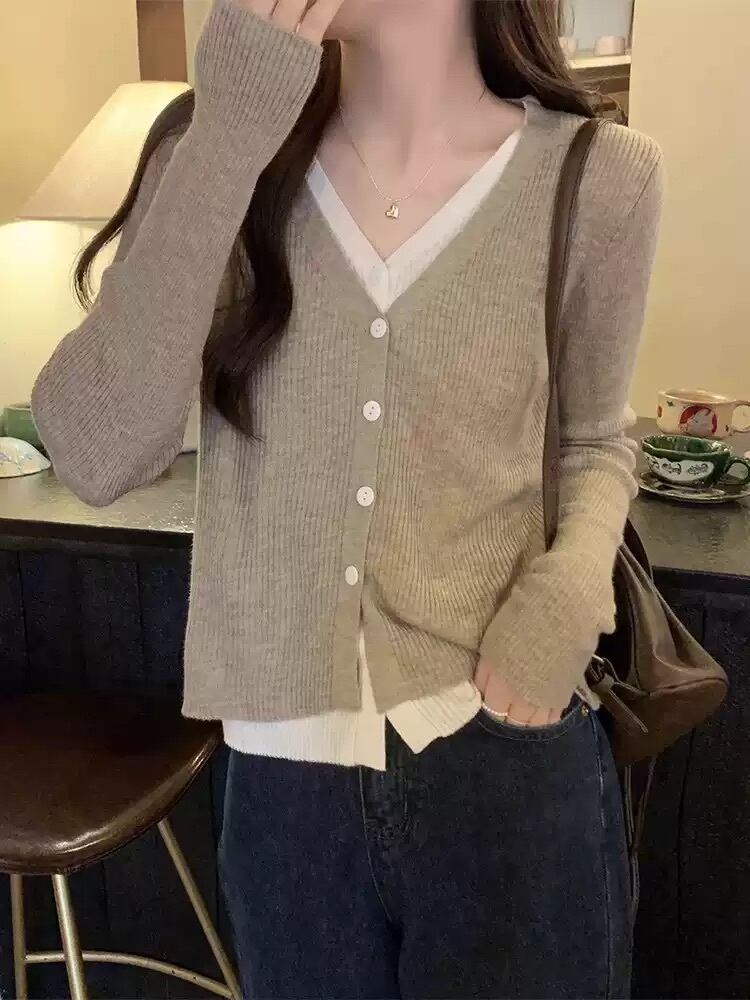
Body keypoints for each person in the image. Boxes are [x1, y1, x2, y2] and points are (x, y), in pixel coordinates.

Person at [31, 0, 664, 996]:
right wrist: (228, 134)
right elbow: (94, 449)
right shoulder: (223, 148)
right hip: (284, 789)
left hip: (505, 748)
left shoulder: (599, 176)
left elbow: (595, 443)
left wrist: (566, 597)